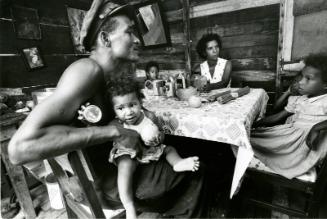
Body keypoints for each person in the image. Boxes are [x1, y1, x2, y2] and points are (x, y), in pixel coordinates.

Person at [8, 0, 207, 218]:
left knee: (186, 149)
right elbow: (19, 149)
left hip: (119, 167)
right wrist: (114, 131)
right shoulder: (86, 70)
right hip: (103, 183)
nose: (138, 39)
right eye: (130, 32)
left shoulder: (112, 74)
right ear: (105, 38)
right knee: (200, 167)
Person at [91, 77, 199, 218]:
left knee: (169, 149)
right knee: (124, 165)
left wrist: (159, 138)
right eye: (121, 108)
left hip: (149, 150)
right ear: (114, 110)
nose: (128, 112)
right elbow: (112, 136)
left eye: (132, 105)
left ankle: (177, 163)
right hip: (129, 152)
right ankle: (129, 205)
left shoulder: (149, 116)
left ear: (140, 102)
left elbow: (159, 132)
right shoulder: (115, 123)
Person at [251, 53, 327, 179]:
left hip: (300, 148)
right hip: (289, 137)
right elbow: (277, 117)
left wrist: (317, 127)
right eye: (302, 76)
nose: (301, 82)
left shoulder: (324, 101)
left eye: (308, 78)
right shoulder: (300, 99)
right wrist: (253, 124)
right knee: (247, 138)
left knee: (252, 144)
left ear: (325, 84)